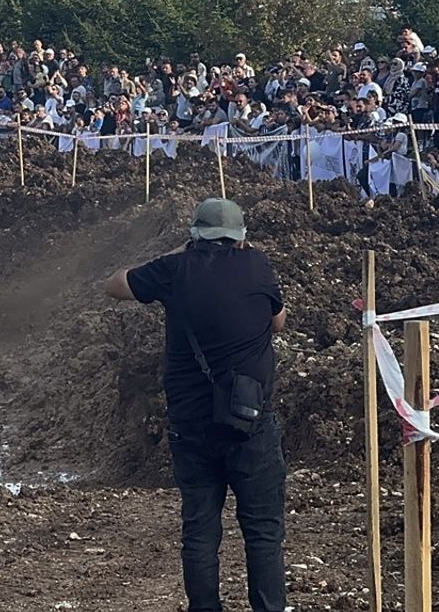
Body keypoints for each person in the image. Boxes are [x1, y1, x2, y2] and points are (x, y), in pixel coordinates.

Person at [105, 198, 287, 612]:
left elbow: (115, 284)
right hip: (250, 419)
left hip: (191, 424)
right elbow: (278, 322)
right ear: (241, 238)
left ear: (195, 235)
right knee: (263, 534)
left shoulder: (174, 271)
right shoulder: (257, 265)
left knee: (200, 532)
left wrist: (177, 253)